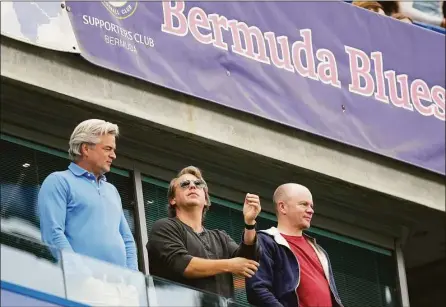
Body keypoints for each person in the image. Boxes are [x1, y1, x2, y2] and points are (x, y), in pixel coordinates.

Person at [147, 166, 261, 299]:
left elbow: (248, 261)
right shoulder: (164, 227)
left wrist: (249, 223)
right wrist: (230, 265)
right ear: (173, 200)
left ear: (206, 199)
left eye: (198, 184)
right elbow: (182, 265)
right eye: (184, 184)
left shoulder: (220, 237)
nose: (192, 186)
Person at [38, 119, 138, 270]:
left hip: (119, 286)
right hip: (80, 285)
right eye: (107, 149)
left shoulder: (112, 190)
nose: (113, 155)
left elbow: (127, 240)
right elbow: (53, 234)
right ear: (85, 149)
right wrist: (81, 275)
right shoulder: (59, 181)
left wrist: (133, 279)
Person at [246, 183, 343, 307]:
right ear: (282, 207)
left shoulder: (319, 251)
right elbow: (257, 290)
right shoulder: (266, 241)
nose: (311, 210)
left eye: (311, 206)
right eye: (303, 204)